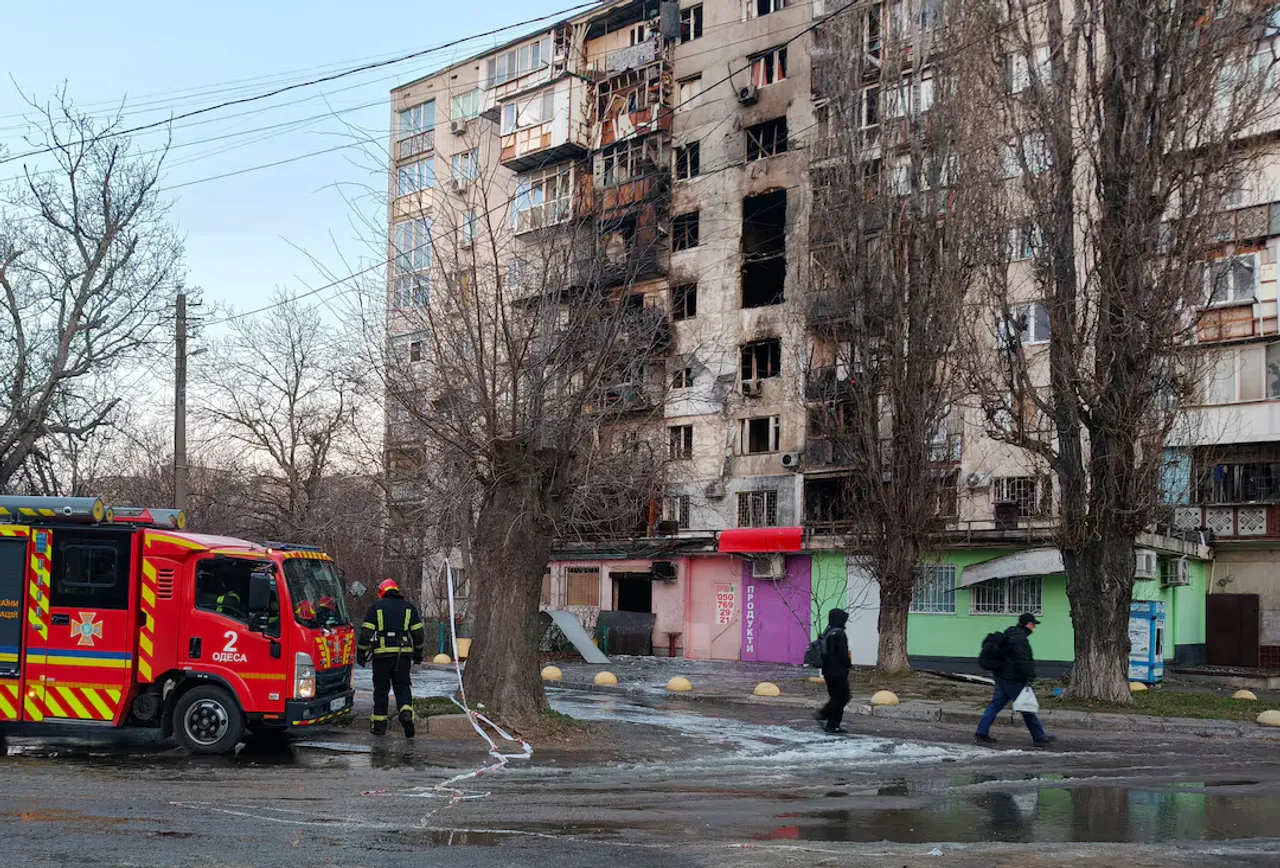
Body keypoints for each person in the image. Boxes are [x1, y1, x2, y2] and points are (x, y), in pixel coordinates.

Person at [357, 579, 426, 737]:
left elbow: (366, 633)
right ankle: (406, 713)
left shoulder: (376, 607)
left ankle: (379, 725)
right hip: (403, 655)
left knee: (381, 689)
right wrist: (418, 654)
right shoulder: (409, 608)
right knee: (402, 686)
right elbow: (418, 634)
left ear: (382, 592)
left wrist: (360, 652)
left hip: (381, 655)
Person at [974, 612, 1055, 747]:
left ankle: (981, 732)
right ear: (1028, 624)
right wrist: (1030, 675)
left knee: (995, 705)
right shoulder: (1019, 639)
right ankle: (1039, 737)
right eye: (1033, 625)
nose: (1034, 628)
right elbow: (1023, 660)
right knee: (1026, 707)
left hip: (1001, 677)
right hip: (1014, 679)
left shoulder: (1009, 633)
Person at [813, 608, 852, 733]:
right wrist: (848, 665)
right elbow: (842, 654)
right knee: (843, 696)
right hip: (838, 671)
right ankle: (824, 714)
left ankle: (832, 725)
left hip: (827, 671)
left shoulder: (828, 632)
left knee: (836, 697)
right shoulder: (839, 634)